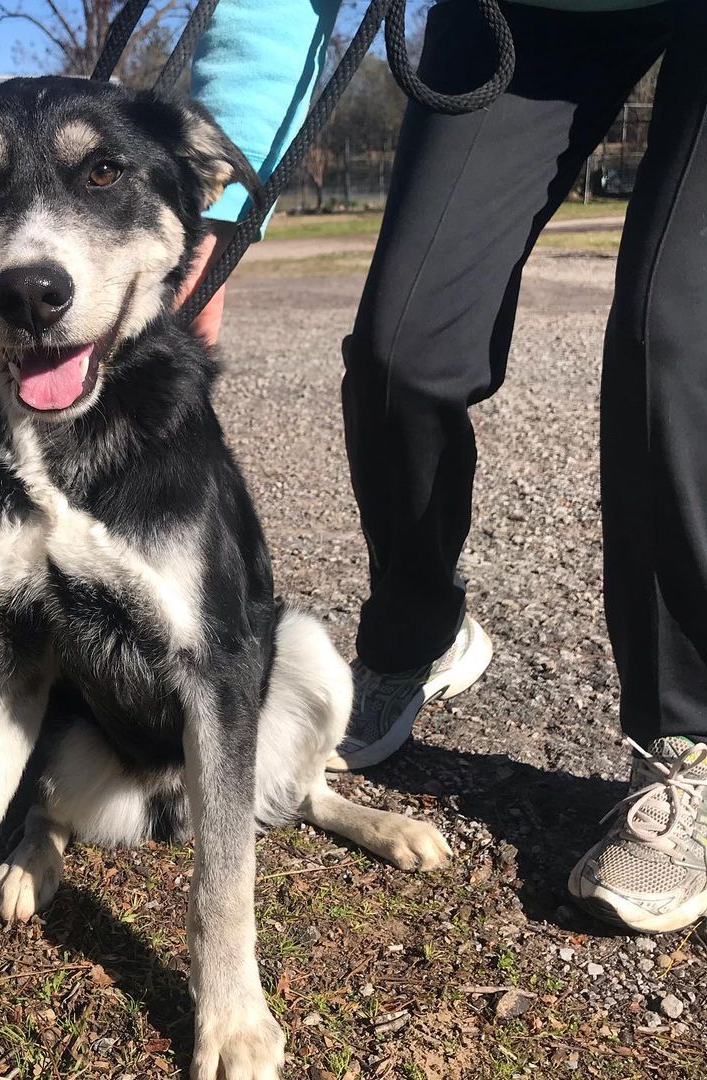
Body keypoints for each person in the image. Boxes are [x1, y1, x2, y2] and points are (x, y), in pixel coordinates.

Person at [185, 0, 707, 935]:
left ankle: (690, 731)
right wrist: (216, 208)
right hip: (524, 16)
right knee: (402, 352)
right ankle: (419, 630)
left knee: (672, 339)